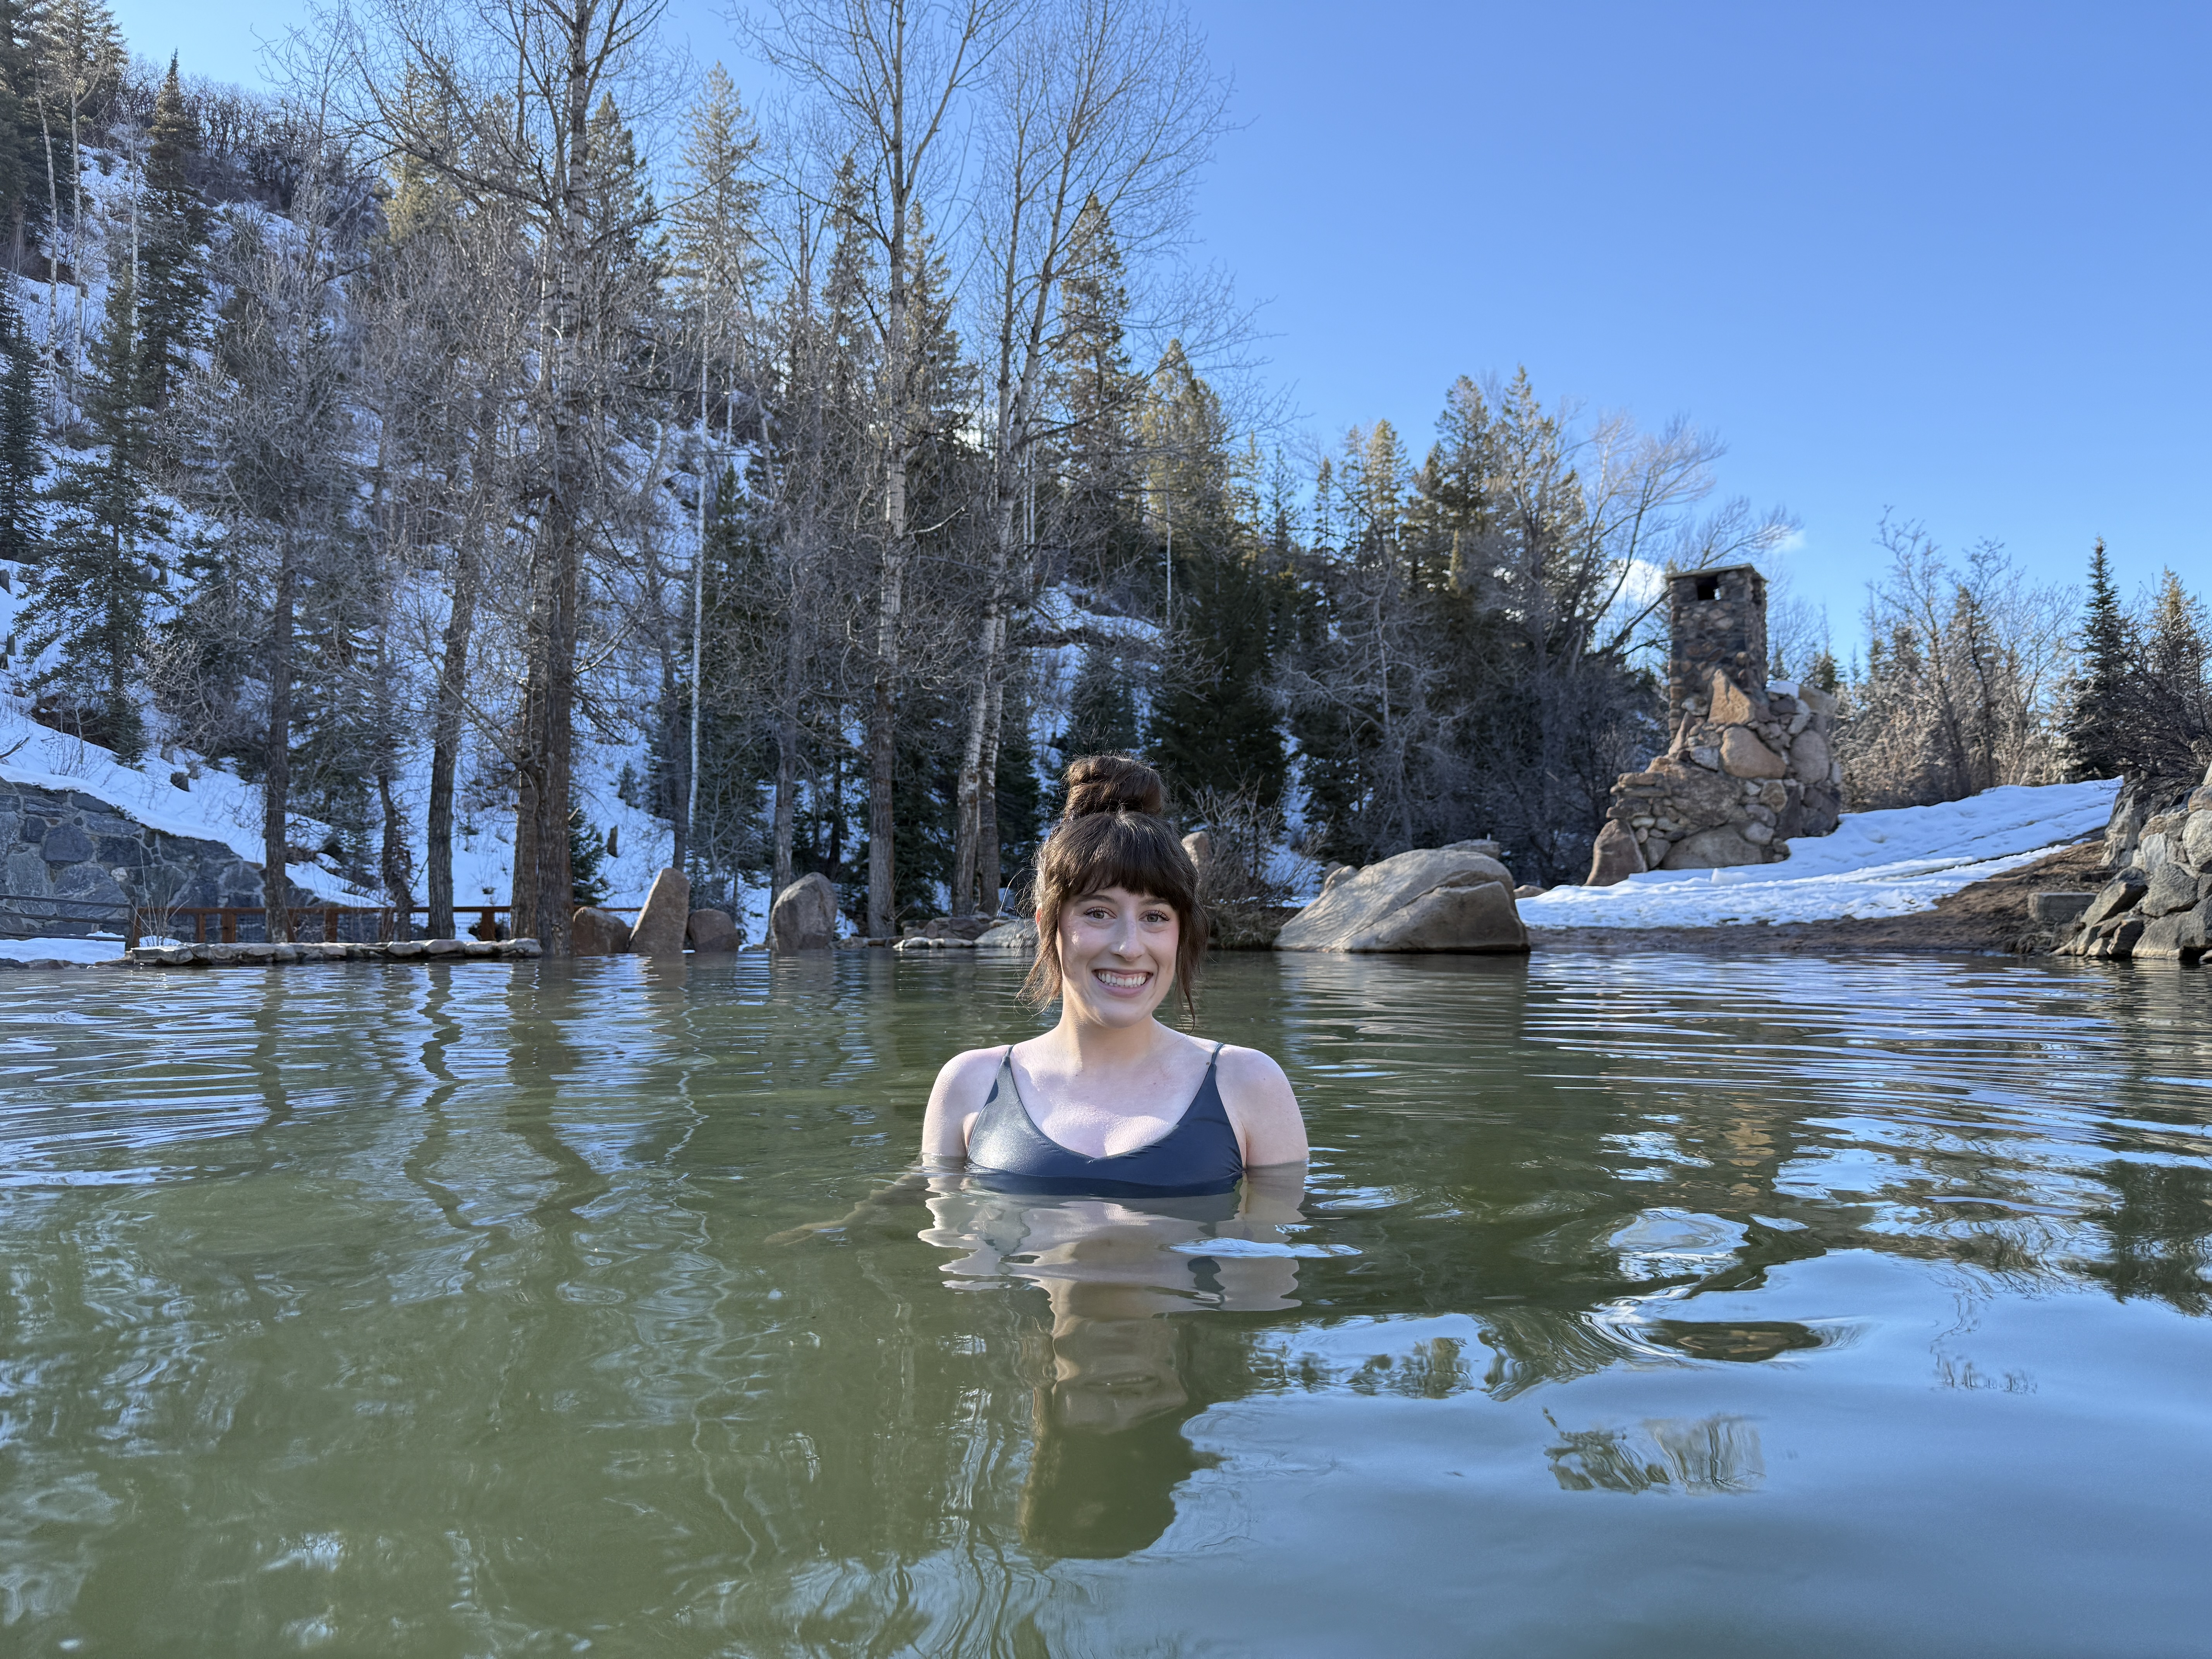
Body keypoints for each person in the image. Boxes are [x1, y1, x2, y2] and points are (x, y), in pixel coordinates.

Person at [921, 754, 1308, 1194]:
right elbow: (948, 1245)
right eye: (1099, 913)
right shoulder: (971, 1083)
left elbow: (1277, 1245)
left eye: (1156, 917)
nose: (1129, 947)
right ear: (1047, 922)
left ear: (1182, 932)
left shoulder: (1250, 1083)